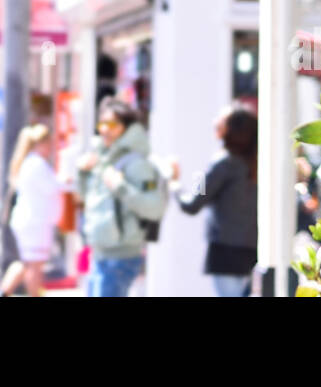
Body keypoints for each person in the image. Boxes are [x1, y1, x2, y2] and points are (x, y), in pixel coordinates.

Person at [76, 98, 167, 298]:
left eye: (113, 124)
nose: (106, 130)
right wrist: (82, 173)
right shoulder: (102, 158)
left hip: (120, 257)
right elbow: (86, 199)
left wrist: (120, 186)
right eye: (102, 124)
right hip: (100, 253)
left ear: (126, 128)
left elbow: (155, 207)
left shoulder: (135, 163)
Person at [170, 104, 259, 297]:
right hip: (252, 251)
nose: (215, 122)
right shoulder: (256, 163)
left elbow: (192, 202)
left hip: (225, 252)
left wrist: (176, 183)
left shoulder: (222, 163)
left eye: (221, 120)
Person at [0, 125, 63, 296]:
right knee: (35, 266)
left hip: (29, 220)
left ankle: (3, 292)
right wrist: (66, 180)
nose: (51, 148)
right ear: (40, 143)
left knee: (27, 263)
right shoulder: (37, 164)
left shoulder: (28, 162)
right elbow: (52, 188)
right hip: (36, 221)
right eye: (49, 143)